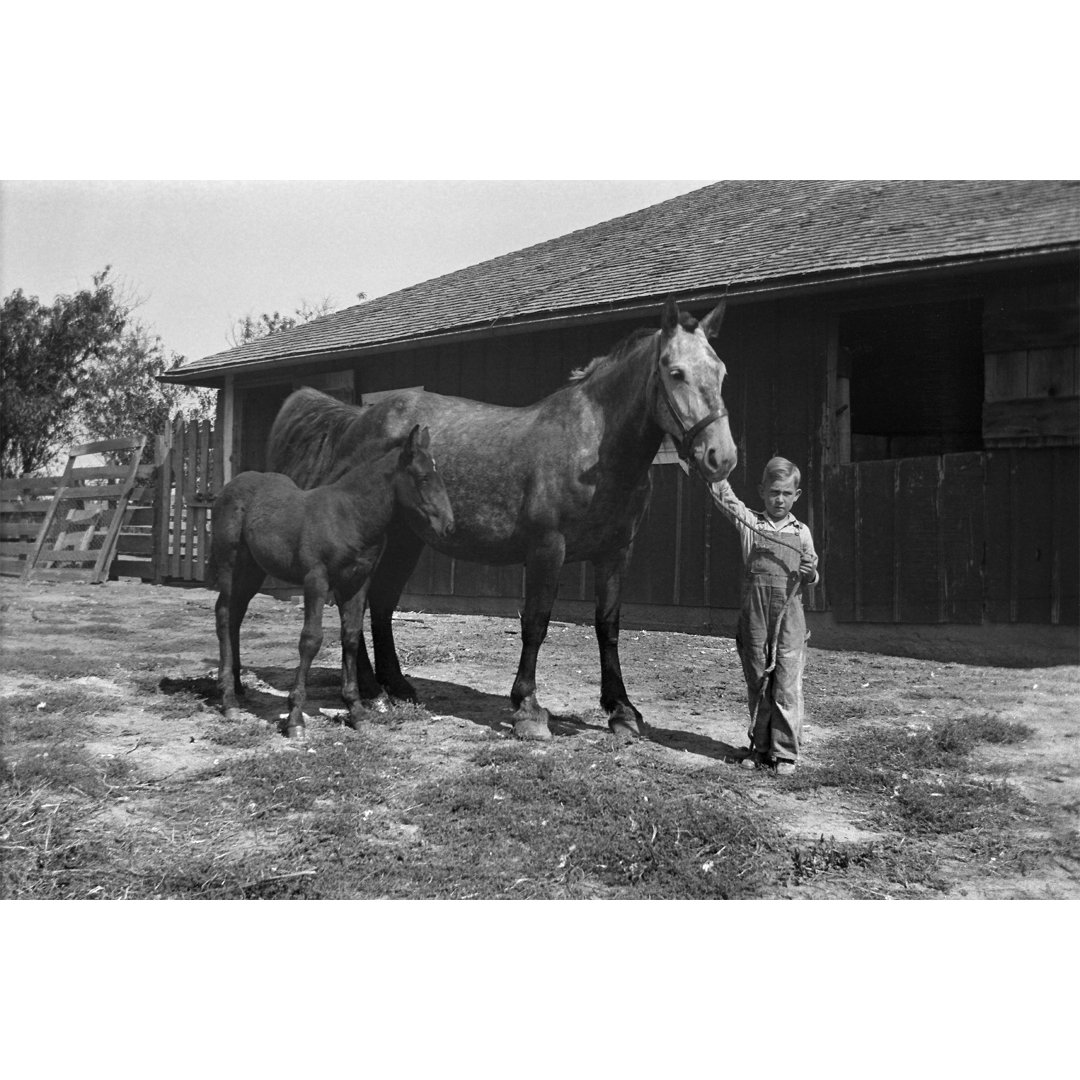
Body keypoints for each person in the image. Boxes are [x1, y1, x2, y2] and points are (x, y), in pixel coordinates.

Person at [711, 457, 819, 776]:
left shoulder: (802, 533)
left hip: (789, 618)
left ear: (796, 495)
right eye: (773, 492)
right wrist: (712, 470)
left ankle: (785, 753)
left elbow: (813, 576)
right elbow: (726, 499)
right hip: (755, 616)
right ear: (762, 491)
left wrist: (811, 572)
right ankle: (760, 749)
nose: (779, 500)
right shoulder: (751, 525)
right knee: (758, 681)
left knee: (786, 685)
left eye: (786, 493)